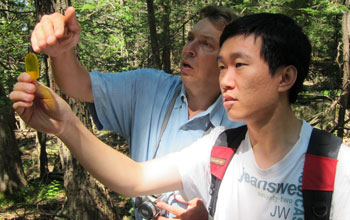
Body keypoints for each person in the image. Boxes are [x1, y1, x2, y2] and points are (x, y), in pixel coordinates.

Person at [11, 13, 350, 220]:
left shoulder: (337, 169)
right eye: (222, 67)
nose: (226, 79)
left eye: (239, 65)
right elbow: (134, 179)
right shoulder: (221, 149)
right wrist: (65, 124)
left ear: (285, 77)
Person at [29, 5, 242, 219]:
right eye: (189, 38)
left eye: (206, 44)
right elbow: (80, 86)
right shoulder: (149, 87)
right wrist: (61, 51)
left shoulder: (241, 125)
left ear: (227, 62)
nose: (189, 49)